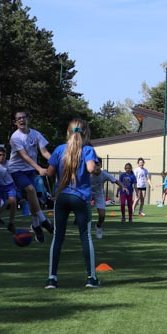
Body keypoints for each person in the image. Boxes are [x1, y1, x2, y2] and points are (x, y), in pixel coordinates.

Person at [44, 118, 100, 289]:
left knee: (58, 237)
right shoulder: (88, 150)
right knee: (85, 236)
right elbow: (91, 169)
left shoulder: (59, 150)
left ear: (68, 133)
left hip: (61, 198)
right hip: (80, 198)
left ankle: (52, 278)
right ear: (86, 133)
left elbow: (49, 172)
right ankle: (91, 278)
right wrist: (97, 168)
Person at [8, 109, 55, 242]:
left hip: (30, 170)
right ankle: (43, 220)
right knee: (31, 190)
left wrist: (55, 162)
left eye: (24, 117)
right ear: (15, 122)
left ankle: (35, 225)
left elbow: (44, 152)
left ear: (27, 119)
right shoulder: (15, 137)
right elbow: (25, 156)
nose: (22, 120)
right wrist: (39, 168)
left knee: (32, 197)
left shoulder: (36, 134)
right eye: (19, 118)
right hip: (17, 169)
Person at [90, 161, 119, 239]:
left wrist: (123, 187)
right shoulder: (88, 173)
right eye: (94, 165)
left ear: (101, 166)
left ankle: (98, 227)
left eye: (98, 165)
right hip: (88, 193)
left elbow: (116, 180)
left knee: (102, 215)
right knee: (86, 214)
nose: (96, 167)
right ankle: (85, 230)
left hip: (99, 194)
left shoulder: (104, 174)